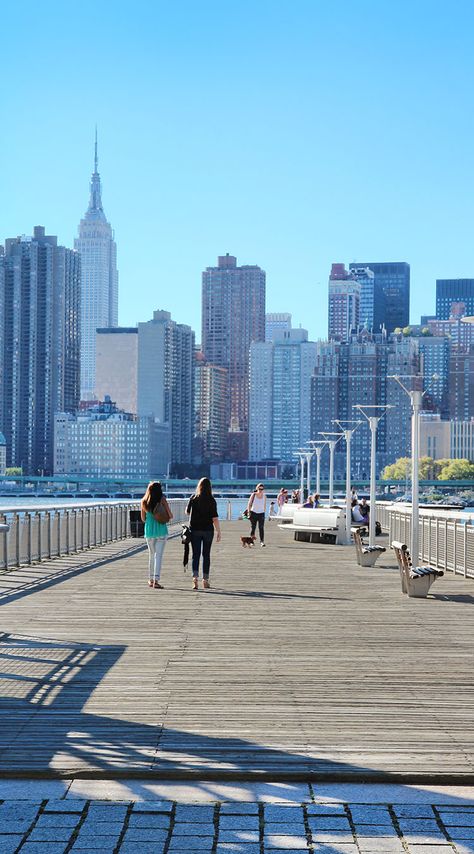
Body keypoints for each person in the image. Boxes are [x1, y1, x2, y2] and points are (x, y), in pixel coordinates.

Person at [186, 477, 221, 590]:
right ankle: (205, 580)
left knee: (195, 555)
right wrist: (218, 531)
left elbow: (187, 512)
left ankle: (195, 579)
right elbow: (215, 518)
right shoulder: (211, 500)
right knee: (206, 555)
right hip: (208, 530)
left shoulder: (193, 498)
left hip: (195, 530)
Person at [140, 481, 173, 589]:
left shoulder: (144, 501)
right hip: (161, 531)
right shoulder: (162, 500)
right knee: (158, 556)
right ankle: (156, 580)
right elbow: (170, 515)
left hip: (149, 532)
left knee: (151, 555)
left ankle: (150, 579)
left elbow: (143, 519)